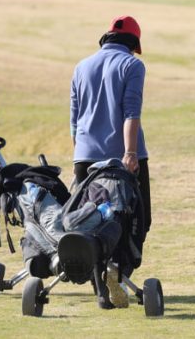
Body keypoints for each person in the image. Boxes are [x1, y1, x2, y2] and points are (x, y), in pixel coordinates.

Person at [69, 15, 151, 309]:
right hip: (123, 157)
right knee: (136, 219)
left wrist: (80, 158)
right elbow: (131, 112)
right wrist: (129, 153)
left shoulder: (81, 66)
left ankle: (101, 291)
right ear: (133, 43)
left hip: (85, 157)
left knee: (91, 222)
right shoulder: (132, 65)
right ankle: (118, 270)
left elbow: (74, 119)